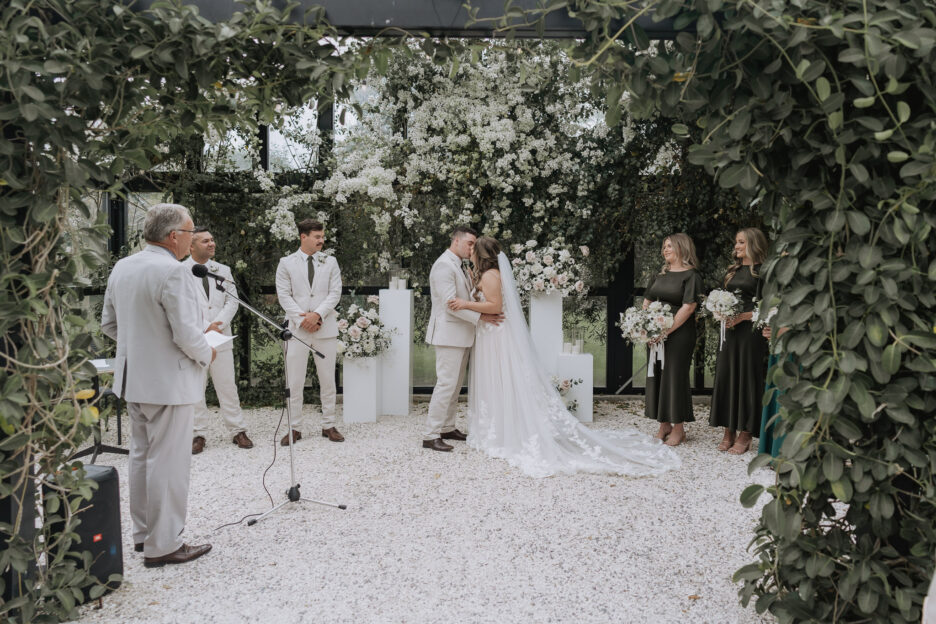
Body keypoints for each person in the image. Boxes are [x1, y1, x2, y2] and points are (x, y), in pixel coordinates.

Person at [447, 236, 680, 478]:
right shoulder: (484, 274)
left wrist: (465, 304)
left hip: (496, 336)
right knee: (495, 381)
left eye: (474, 248)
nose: (470, 251)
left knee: (501, 379)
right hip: (490, 334)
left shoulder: (490, 275)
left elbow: (495, 306)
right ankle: (495, 428)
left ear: (483, 254)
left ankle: (505, 431)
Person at [101, 203, 214, 567]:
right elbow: (185, 334)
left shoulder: (123, 266)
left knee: (141, 456)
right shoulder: (174, 272)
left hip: (134, 379)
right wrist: (206, 354)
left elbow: (109, 325)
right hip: (169, 381)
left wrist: (142, 348)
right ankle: (163, 545)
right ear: (172, 236)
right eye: (190, 231)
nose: (193, 238)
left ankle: (142, 534)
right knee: (168, 462)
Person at [183, 227, 254, 454]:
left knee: (227, 386)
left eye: (212, 240)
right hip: (195, 338)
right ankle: (197, 434)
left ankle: (238, 431)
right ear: (191, 246)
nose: (212, 244)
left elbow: (232, 301)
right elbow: (181, 305)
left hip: (221, 337)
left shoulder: (222, 270)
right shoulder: (180, 270)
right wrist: (205, 327)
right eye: (205, 241)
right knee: (196, 387)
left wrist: (218, 325)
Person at [275, 219, 344, 444]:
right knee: (294, 381)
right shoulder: (286, 263)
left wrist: (318, 315)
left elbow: (335, 292)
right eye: (317, 237)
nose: (321, 240)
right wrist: (302, 318)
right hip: (296, 330)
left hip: (325, 328)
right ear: (303, 237)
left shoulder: (331, 261)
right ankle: (294, 427)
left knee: (327, 380)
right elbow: (284, 295)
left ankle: (329, 424)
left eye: (322, 236)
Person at [423, 226, 490, 452]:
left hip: (462, 335)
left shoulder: (461, 265)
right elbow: (450, 305)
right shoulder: (443, 265)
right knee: (445, 384)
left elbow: (466, 297)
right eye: (470, 243)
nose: (473, 248)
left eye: (474, 244)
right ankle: (430, 434)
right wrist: (481, 318)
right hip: (449, 334)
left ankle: (447, 427)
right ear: (456, 241)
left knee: (454, 386)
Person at [709, 228, 769, 454]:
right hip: (729, 332)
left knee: (746, 377)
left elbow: (767, 307)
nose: (737, 246)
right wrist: (720, 312)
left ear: (754, 244)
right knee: (727, 375)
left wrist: (742, 316)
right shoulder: (732, 271)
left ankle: (746, 433)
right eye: (736, 242)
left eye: (741, 242)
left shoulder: (763, 272)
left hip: (750, 333)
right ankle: (728, 429)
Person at [642, 233, 704, 446]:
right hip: (656, 333)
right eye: (664, 246)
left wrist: (666, 331)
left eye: (670, 246)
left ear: (682, 248)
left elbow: (688, 307)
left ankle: (679, 428)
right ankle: (663, 424)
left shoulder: (692, 276)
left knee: (674, 377)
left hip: (679, 334)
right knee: (658, 375)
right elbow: (647, 301)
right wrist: (646, 327)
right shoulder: (659, 274)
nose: (665, 250)